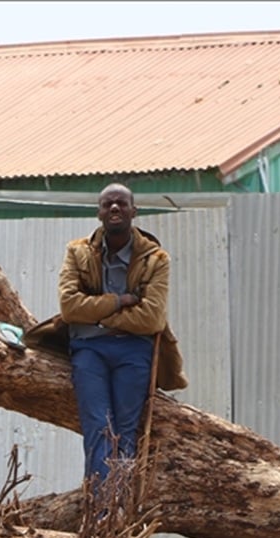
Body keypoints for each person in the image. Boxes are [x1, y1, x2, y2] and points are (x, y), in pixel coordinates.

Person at [58, 183, 180, 497]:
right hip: (89, 350)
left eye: (122, 204)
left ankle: (118, 511)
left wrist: (99, 317)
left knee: (126, 432)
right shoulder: (78, 252)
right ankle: (100, 513)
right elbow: (70, 307)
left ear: (133, 212)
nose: (115, 208)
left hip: (133, 349)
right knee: (98, 428)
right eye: (108, 204)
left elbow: (151, 318)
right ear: (98, 212)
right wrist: (120, 301)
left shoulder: (156, 259)